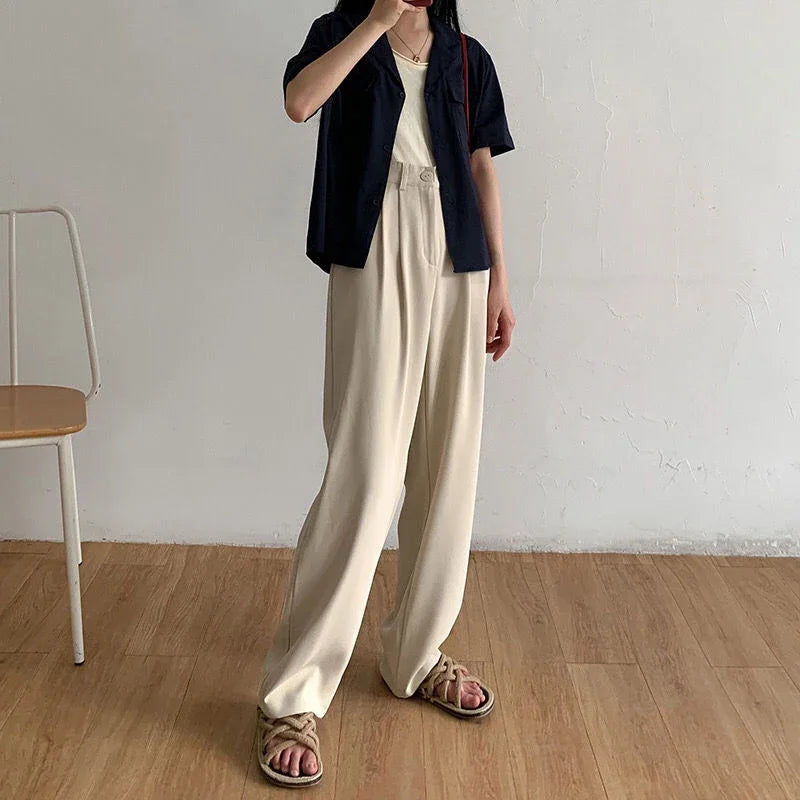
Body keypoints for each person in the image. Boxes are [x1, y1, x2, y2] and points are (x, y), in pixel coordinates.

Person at [256, 0, 516, 787]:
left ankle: (415, 653)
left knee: (448, 465)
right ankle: (293, 696)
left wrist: (501, 280)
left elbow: (481, 167)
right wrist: (376, 20)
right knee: (366, 471)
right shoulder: (341, 32)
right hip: (373, 246)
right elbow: (300, 102)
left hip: (459, 256)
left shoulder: (467, 56)